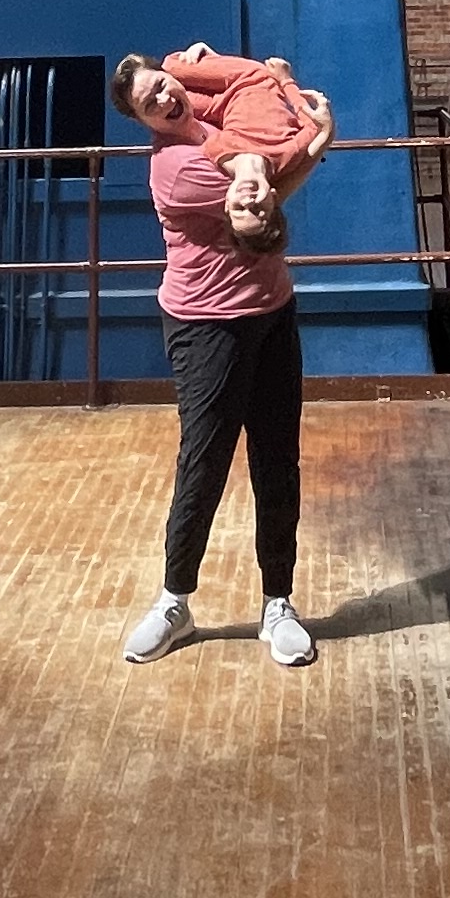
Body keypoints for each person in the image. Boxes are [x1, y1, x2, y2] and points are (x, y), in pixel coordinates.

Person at [109, 44, 332, 669]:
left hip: (271, 310)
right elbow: (270, 192)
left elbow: (247, 91)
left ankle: (278, 604)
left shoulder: (212, 117)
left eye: (162, 82)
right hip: (207, 325)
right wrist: (321, 136)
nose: (163, 95)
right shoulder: (176, 168)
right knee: (203, 463)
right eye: (148, 100)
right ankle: (175, 602)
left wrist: (252, 77)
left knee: (277, 457)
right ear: (143, 123)